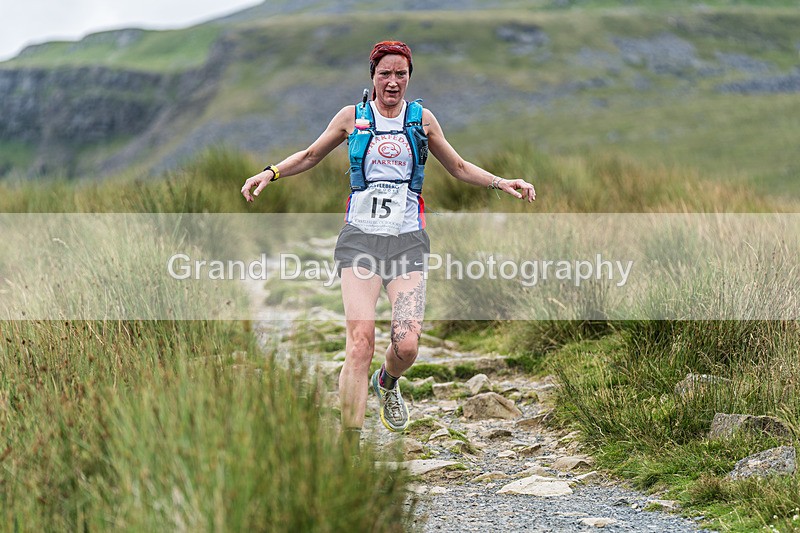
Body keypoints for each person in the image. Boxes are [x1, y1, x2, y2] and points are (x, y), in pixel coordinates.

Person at [241, 41, 535, 452]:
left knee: (408, 344)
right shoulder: (352, 117)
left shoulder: (422, 120)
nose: (393, 82)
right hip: (359, 240)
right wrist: (269, 173)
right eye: (385, 74)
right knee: (360, 342)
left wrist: (504, 183)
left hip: (407, 242)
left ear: (409, 77)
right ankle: (351, 449)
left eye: (401, 74)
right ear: (373, 77)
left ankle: (387, 381)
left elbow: (459, 167)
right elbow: (310, 156)